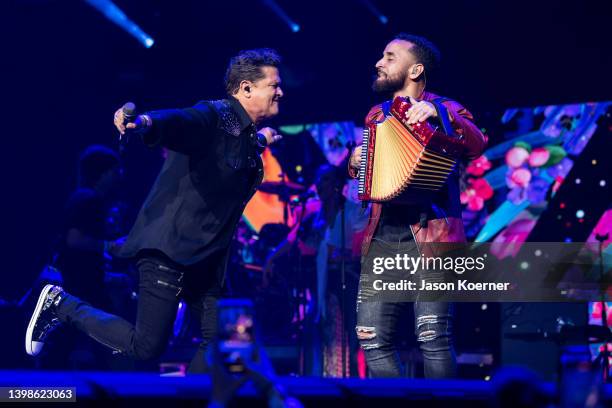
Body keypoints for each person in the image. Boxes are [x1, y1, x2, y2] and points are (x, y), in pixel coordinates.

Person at [26, 48, 285, 373]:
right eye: (274, 85)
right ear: (246, 88)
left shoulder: (241, 133)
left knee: (225, 337)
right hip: (171, 250)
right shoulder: (214, 115)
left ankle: (193, 396)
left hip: (205, 261)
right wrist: (144, 122)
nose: (281, 92)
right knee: (146, 346)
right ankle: (61, 304)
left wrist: (260, 140)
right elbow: (180, 121)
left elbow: (231, 154)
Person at [348, 33, 487, 378]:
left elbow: (477, 142)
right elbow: (368, 171)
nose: (379, 62)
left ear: (416, 69)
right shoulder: (375, 115)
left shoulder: (446, 107)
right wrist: (355, 161)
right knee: (373, 340)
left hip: (433, 237)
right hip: (382, 235)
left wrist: (440, 114)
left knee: (433, 338)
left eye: (390, 57)